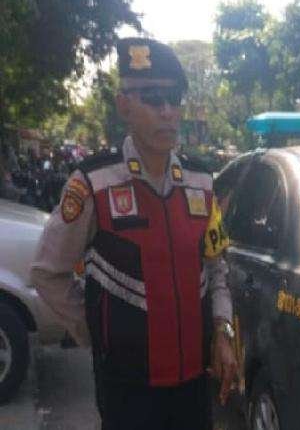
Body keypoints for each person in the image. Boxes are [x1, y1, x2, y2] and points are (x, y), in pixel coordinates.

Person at [31, 37, 237, 430]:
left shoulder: (201, 182)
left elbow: (216, 269)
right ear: (123, 105)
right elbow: (47, 272)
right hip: (127, 389)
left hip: (194, 384)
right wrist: (97, 331)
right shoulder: (93, 183)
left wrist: (223, 331)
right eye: (152, 99)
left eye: (174, 99)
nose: (167, 111)